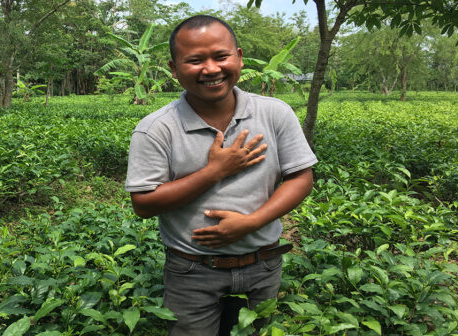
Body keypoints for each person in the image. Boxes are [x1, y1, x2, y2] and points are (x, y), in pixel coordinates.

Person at [125, 15, 317, 336]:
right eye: (195, 60)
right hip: (192, 271)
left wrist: (252, 222)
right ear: (174, 69)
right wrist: (214, 172)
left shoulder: (275, 113)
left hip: (263, 265)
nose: (211, 68)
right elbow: (144, 204)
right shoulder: (156, 129)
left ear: (239, 58)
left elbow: (301, 178)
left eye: (221, 56)